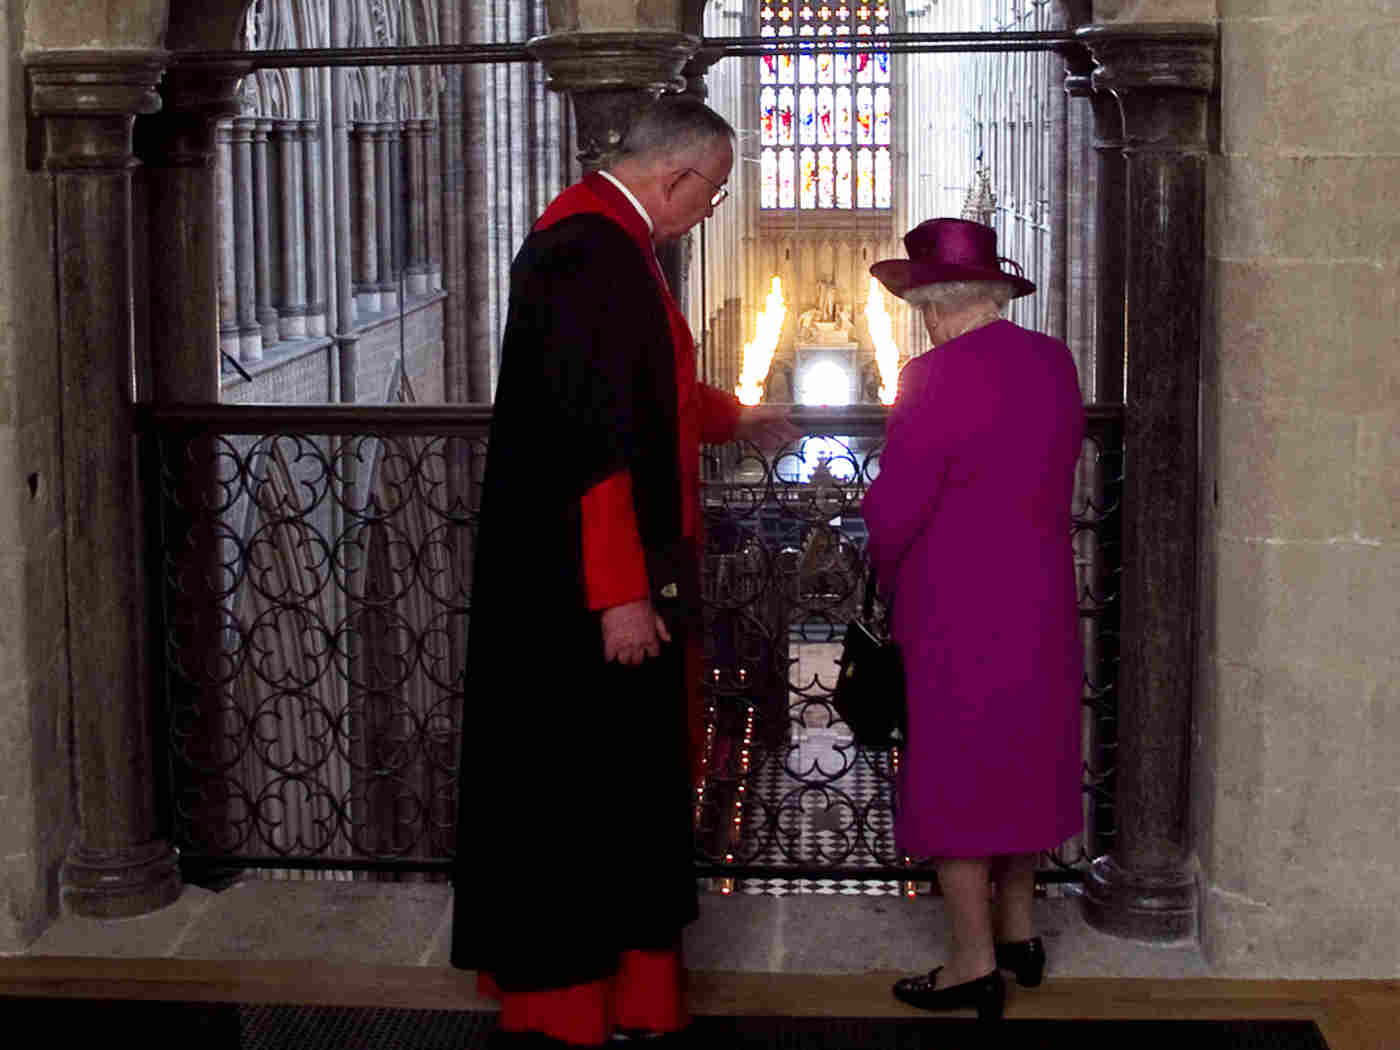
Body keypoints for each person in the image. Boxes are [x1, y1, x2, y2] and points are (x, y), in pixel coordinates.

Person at [451, 96, 791, 1050]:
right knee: (584, 791)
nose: (711, 211)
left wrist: (734, 417)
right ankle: (570, 1004)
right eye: (713, 193)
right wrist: (622, 593)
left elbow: (646, 394)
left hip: (607, 570)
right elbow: (587, 438)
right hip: (585, 591)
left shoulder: (611, 241)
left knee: (627, 788)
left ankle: (634, 991)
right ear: (677, 177)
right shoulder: (586, 253)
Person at [863, 218, 1085, 1022]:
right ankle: (1020, 933)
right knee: (1025, 755)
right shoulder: (1054, 361)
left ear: (930, 306)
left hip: (955, 604)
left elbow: (896, 509)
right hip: (1042, 592)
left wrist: (881, 565)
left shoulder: (931, 377)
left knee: (954, 772)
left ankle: (971, 963)